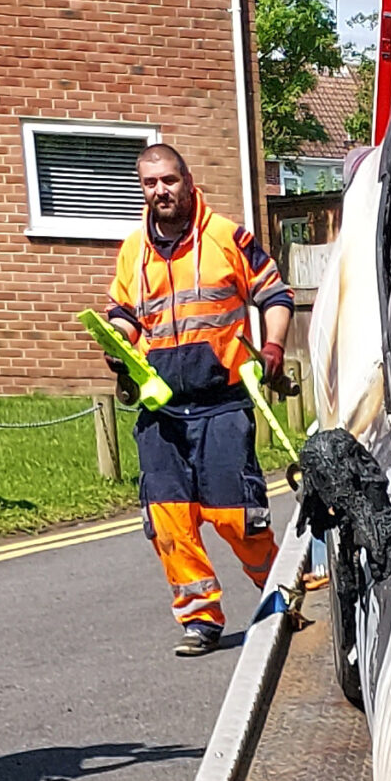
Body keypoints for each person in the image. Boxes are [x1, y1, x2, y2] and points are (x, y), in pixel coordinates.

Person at [103, 144, 294, 655]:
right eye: (149, 184)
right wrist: (117, 340)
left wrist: (272, 345)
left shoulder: (227, 238)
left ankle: (285, 599)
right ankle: (200, 620)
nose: (160, 191)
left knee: (238, 517)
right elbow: (124, 312)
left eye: (168, 180)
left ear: (188, 180)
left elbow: (275, 294)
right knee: (170, 522)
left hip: (222, 403)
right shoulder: (132, 251)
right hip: (159, 410)